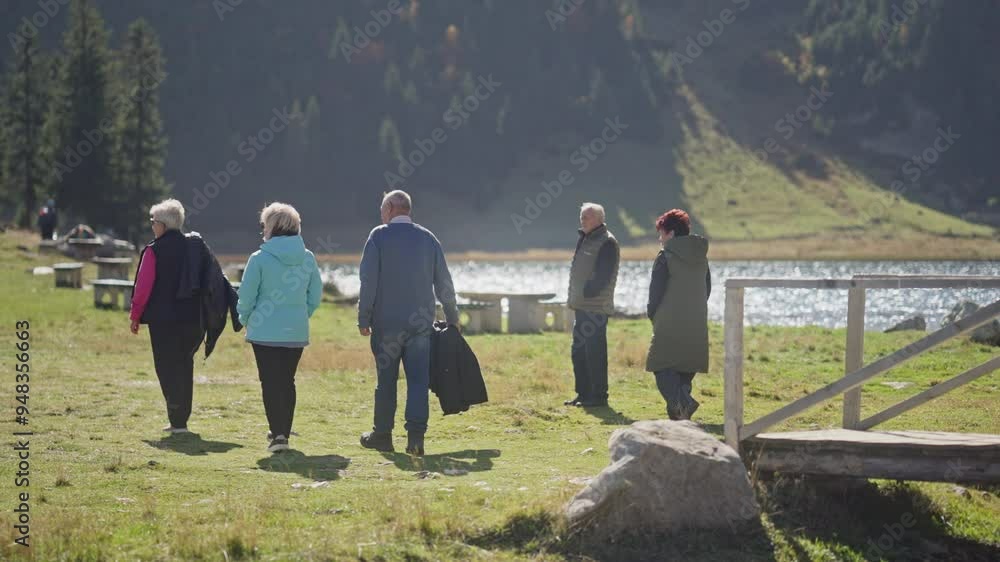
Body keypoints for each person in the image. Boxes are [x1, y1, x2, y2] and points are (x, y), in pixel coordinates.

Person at [357, 190, 459, 456]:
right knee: (417, 381)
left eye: (382, 208)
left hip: (386, 325)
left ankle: (382, 435)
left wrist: (364, 317)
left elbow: (368, 282)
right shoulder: (428, 238)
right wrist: (453, 317)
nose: (381, 214)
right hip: (420, 326)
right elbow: (444, 283)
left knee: (386, 382)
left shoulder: (378, 237)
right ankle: (415, 440)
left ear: (391, 208)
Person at [237, 203, 322, 453]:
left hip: (264, 331)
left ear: (271, 227)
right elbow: (315, 295)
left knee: (270, 382)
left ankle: (279, 435)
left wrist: (245, 318)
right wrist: (301, 314)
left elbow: (246, 296)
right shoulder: (307, 257)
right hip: (296, 330)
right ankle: (282, 430)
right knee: (287, 381)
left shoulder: (259, 258)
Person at [129, 199, 206, 434]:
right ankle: (181, 419)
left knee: (166, 367)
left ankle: (176, 420)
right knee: (184, 366)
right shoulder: (194, 247)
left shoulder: (154, 250)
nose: (152, 226)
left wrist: (135, 315)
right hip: (192, 319)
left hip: (163, 321)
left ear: (162, 225)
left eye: (153, 222)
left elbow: (143, 287)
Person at [645, 209, 711, 420]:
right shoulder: (701, 257)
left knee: (659, 365)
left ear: (671, 233)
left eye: (662, 233)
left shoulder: (665, 257)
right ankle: (680, 417)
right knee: (684, 368)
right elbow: (707, 289)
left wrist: (652, 314)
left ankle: (684, 405)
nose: (660, 239)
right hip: (696, 322)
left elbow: (655, 292)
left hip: (668, 322)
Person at [564, 202, 620, 408]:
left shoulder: (607, 242)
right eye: (582, 216)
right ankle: (583, 394)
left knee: (594, 353)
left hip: (595, 308)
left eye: (586, 217)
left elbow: (603, 276)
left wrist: (587, 292)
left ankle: (598, 397)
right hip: (582, 306)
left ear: (599, 219)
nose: (582, 220)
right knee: (579, 351)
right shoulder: (586, 238)